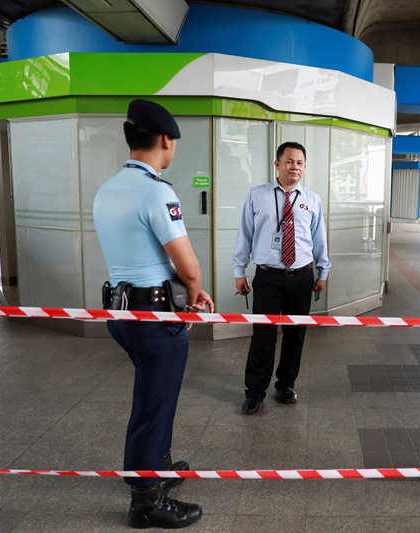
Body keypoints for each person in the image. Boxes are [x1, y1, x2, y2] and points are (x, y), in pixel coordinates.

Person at [93, 99, 213, 529]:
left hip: (121, 313)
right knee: (154, 402)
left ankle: (156, 467)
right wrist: (196, 294)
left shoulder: (108, 188)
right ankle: (146, 501)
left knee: (154, 396)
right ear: (166, 140)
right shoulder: (156, 191)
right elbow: (188, 266)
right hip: (155, 316)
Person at [233, 141, 330, 415]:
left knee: (295, 335)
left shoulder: (312, 199)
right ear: (277, 164)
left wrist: (322, 272)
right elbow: (245, 235)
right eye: (289, 161)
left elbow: (318, 238)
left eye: (299, 162)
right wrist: (239, 271)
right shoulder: (257, 195)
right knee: (262, 336)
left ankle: (286, 384)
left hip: (302, 277)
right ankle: (254, 392)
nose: (294, 167)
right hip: (267, 277)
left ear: (304, 167)